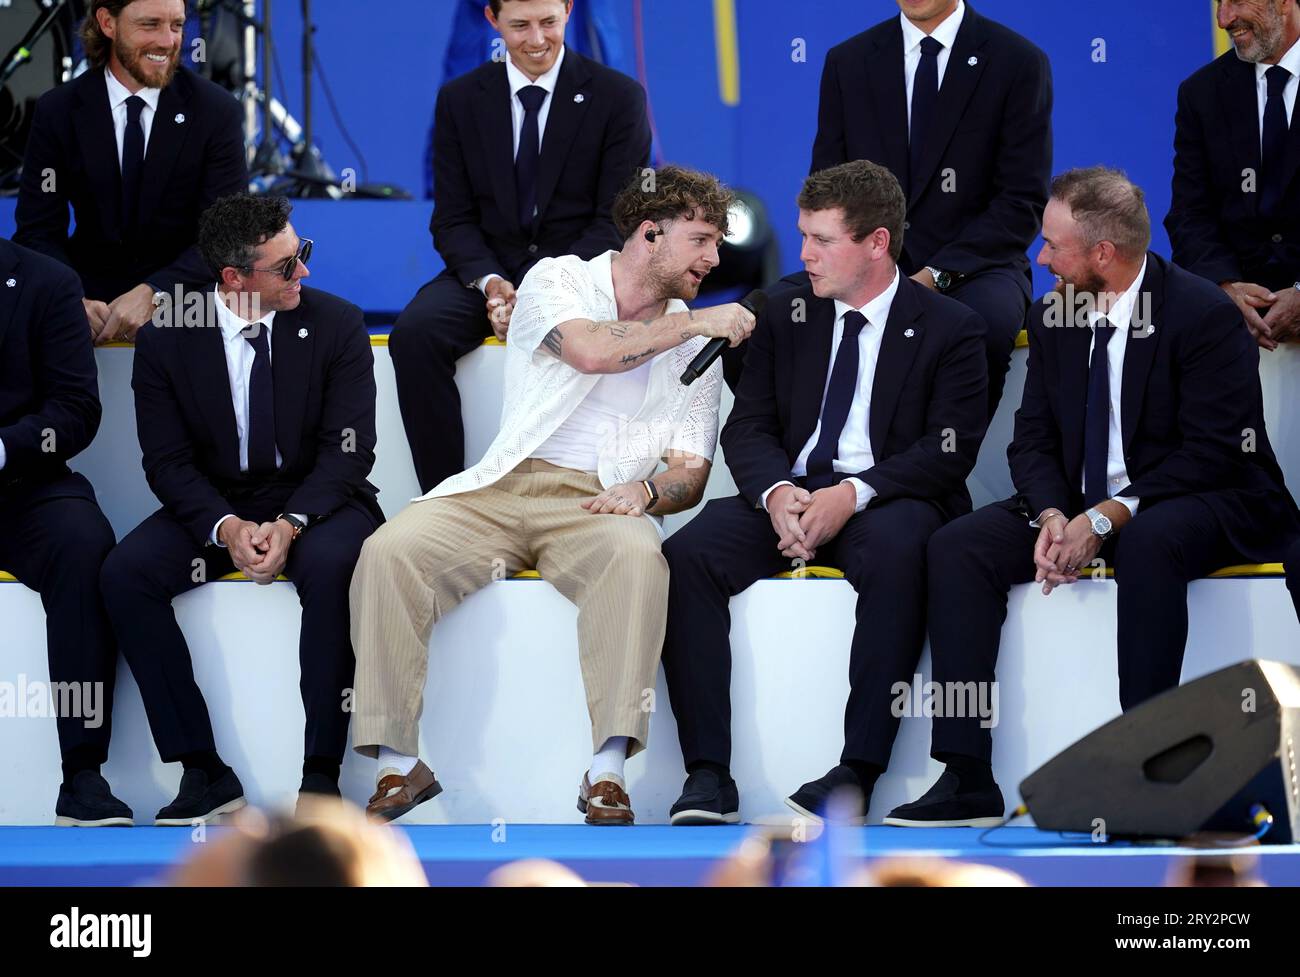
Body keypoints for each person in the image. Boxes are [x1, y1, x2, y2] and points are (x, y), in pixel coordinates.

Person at [887, 167, 1300, 828]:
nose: (1039, 258)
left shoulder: (1200, 315)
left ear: (1103, 254)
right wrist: (1055, 515)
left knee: (1149, 538)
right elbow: (1032, 442)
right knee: (959, 545)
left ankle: (1150, 765)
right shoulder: (1055, 314)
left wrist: (1106, 516)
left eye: (1053, 245)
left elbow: (1216, 449)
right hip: (1083, 501)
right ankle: (965, 772)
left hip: (1212, 495)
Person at [350, 165, 752, 825]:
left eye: (716, 243)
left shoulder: (693, 338)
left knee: (638, 558)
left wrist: (648, 490)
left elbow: (691, 469)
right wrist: (692, 326)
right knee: (390, 549)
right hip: (503, 482)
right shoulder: (559, 277)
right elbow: (592, 350)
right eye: (702, 239)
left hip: (598, 500)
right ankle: (398, 761)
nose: (714, 257)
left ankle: (607, 772)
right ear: (650, 233)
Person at [660, 160, 988, 826]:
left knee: (903, 555)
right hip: (794, 492)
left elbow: (948, 452)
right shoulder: (785, 307)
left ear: (876, 244)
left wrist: (855, 494)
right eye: (802, 234)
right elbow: (748, 424)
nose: (803, 253)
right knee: (689, 553)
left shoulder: (952, 326)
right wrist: (777, 492)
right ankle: (707, 773)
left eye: (822, 239)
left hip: (889, 498)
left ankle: (857, 772)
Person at [100, 194, 383, 824]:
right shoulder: (171, 332)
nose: (303, 274)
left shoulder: (337, 322)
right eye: (286, 267)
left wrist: (292, 524)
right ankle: (203, 769)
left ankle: (320, 777)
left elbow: (351, 451)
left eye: (302, 255)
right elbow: (167, 461)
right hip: (218, 503)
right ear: (233, 279)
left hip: (320, 499)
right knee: (125, 574)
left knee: (337, 567)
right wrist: (225, 527)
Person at [390, 0, 652, 492]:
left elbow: (617, 218)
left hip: (581, 271)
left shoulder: (618, 98)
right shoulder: (461, 99)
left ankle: (581, 495)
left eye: (549, 22)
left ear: (570, 10)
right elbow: (452, 218)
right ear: (491, 20)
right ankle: (445, 497)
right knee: (414, 335)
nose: (536, 39)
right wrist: (492, 285)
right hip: (487, 274)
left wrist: (537, 291)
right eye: (519, 25)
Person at [811, 0, 1051, 416]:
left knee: (981, 324)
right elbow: (828, 189)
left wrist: (933, 275)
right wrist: (866, 266)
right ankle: (814, 464)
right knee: (781, 318)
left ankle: (940, 468)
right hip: (867, 263)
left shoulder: (1017, 62)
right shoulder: (847, 62)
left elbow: (1021, 201)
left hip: (976, 267)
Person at [13, 0, 248, 345]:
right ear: (107, 23)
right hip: (85, 317)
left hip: (187, 316)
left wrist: (158, 293)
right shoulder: (58, 110)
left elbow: (228, 237)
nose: (168, 41)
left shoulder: (216, 112)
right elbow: (37, 231)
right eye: (150, 25)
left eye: (177, 26)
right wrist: (70, 298)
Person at [0, 237, 128, 826]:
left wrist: (5, 447)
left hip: (25, 481)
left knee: (83, 545)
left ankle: (82, 775)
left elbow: (77, 408)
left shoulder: (46, 282)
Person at [1166, 0, 1300, 349]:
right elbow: (1189, 214)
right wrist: (1224, 288)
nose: (1224, 18)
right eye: (1220, 3)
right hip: (1237, 341)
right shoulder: (1200, 93)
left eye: (1237, 1)